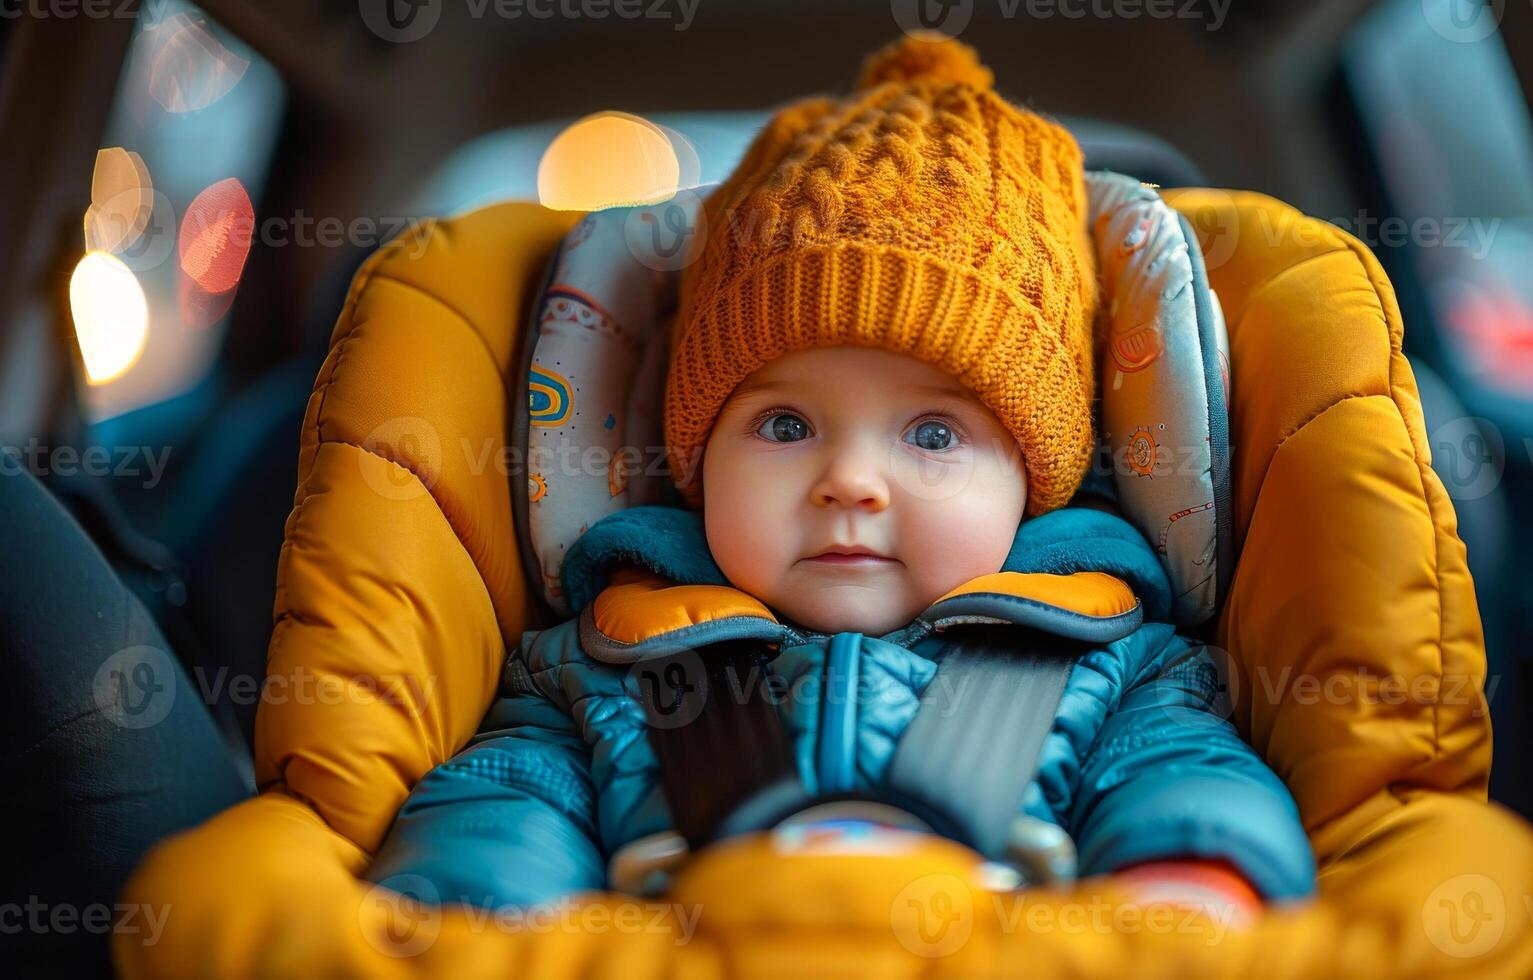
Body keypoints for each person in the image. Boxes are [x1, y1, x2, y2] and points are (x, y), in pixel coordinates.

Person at [364, 32, 1316, 923]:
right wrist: (476, 910)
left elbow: (1188, 775)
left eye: (934, 434)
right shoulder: (594, 663)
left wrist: (1190, 873)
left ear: (1035, 480)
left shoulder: (1121, 669)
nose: (851, 482)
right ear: (695, 467)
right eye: (785, 425)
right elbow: (508, 802)